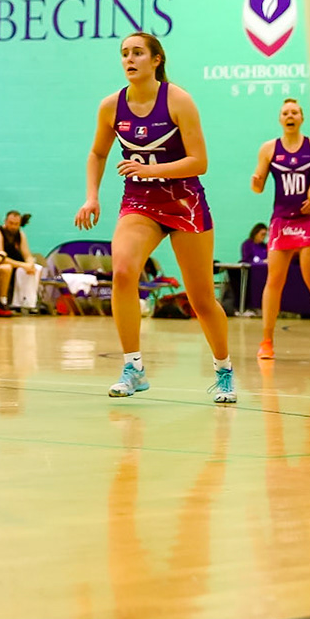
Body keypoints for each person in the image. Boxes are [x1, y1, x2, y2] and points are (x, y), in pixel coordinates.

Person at [77, 32, 233, 404]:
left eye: (137, 53)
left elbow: (200, 161)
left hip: (185, 203)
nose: (129, 59)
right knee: (124, 271)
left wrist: (150, 169)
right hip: (140, 203)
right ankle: (134, 368)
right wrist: (92, 196)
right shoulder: (111, 106)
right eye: (124, 54)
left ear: (156, 60)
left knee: (201, 299)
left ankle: (224, 369)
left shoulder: (178, 100)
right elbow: (98, 153)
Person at [251, 98, 310, 361]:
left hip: (308, 221)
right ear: (280, 119)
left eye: (295, 112)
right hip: (281, 221)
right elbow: (258, 187)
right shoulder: (268, 149)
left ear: (302, 118)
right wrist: (256, 181)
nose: (290, 116)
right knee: (274, 280)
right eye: (285, 113)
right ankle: (267, 340)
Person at [0, 210, 41, 316]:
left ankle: (29, 303)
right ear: (5, 221)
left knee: (36, 268)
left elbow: (27, 254)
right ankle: (3, 301)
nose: (13, 227)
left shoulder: (20, 234)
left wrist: (30, 264)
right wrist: (23, 265)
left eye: (16, 224)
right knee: (7, 267)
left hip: (14, 263)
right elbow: (0, 257)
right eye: (11, 223)